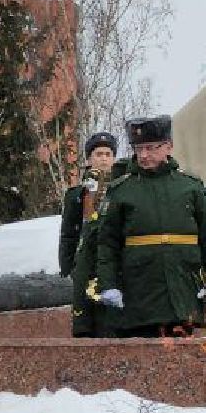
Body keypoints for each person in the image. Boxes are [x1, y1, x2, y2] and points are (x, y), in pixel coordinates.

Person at [94, 115, 206, 337]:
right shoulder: (121, 190)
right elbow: (107, 244)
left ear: (168, 147)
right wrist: (108, 284)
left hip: (183, 288)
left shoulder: (190, 187)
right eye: (138, 149)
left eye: (150, 148)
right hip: (138, 292)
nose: (144, 155)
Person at [60, 132, 120, 337]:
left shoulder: (122, 190)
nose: (103, 158)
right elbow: (69, 233)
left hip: (114, 262)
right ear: (89, 158)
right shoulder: (78, 194)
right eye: (98, 154)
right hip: (85, 261)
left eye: (108, 154)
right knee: (86, 322)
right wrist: (68, 265)